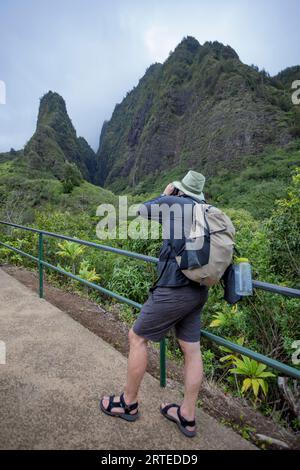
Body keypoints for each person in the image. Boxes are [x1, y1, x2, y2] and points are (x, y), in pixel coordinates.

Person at [100, 170, 209, 438]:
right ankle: (187, 416)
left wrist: (165, 194)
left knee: (137, 337)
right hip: (199, 290)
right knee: (191, 349)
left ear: (181, 189)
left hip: (174, 288)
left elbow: (142, 211)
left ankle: (128, 403)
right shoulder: (205, 211)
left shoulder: (176, 202)